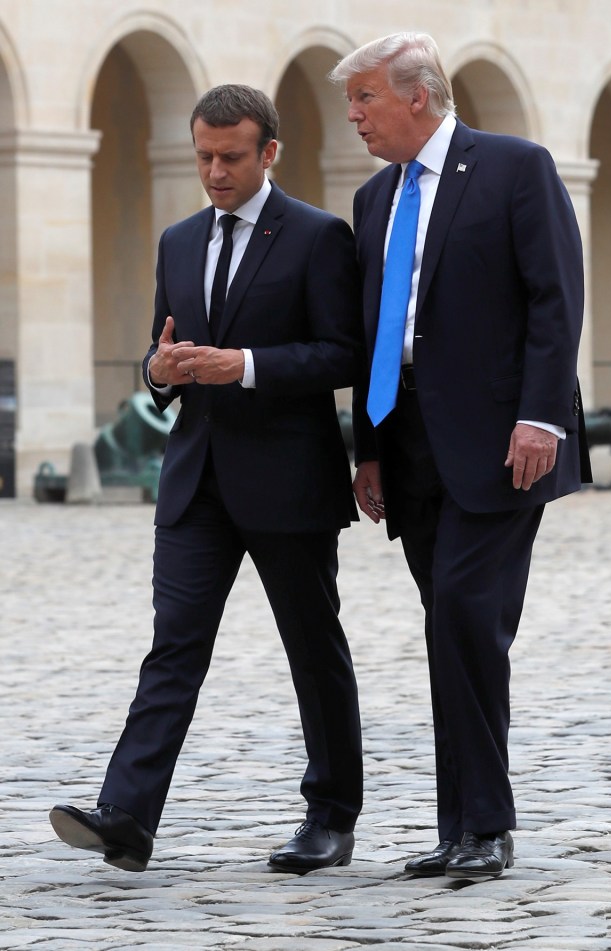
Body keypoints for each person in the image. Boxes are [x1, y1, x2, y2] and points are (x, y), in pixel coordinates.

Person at [49, 84, 363, 875]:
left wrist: (246, 365)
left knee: (311, 650)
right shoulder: (178, 241)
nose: (215, 171)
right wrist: (157, 371)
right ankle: (127, 815)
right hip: (195, 482)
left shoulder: (319, 238)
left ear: (270, 153)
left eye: (231, 156)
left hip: (288, 480)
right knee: (173, 647)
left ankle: (331, 816)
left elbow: (341, 354)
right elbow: (164, 355)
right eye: (204, 157)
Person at [329, 33, 592, 881]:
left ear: (417, 95)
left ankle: (486, 824)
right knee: (450, 631)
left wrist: (543, 417)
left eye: (365, 97)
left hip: (502, 443)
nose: (354, 116)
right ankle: (461, 830)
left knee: (467, 620)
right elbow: (376, 334)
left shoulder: (515, 167)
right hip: (408, 449)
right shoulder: (374, 199)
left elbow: (556, 294)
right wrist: (367, 448)